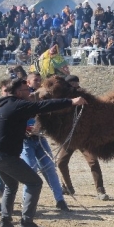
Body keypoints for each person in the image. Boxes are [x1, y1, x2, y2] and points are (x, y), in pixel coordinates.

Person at [0, 77, 86, 227]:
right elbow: (44, 105)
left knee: (11, 186)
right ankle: (26, 222)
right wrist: (71, 102)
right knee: (35, 183)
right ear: (19, 92)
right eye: (27, 90)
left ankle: (5, 223)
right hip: (5, 157)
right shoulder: (19, 105)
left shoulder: (6, 106)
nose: (30, 93)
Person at [21, 72, 74, 211]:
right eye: (35, 80)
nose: (38, 82)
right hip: (25, 140)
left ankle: (60, 200)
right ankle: (25, 201)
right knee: (30, 170)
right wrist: (24, 129)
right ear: (28, 82)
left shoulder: (42, 97)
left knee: (50, 167)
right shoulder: (22, 99)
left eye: (39, 80)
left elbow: (52, 108)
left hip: (39, 139)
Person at [55, 75, 109, 201]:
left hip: (84, 137)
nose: (75, 87)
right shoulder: (62, 100)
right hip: (69, 138)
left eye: (76, 85)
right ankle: (67, 187)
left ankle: (100, 190)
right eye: (72, 85)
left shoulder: (85, 98)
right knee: (61, 162)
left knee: (93, 162)